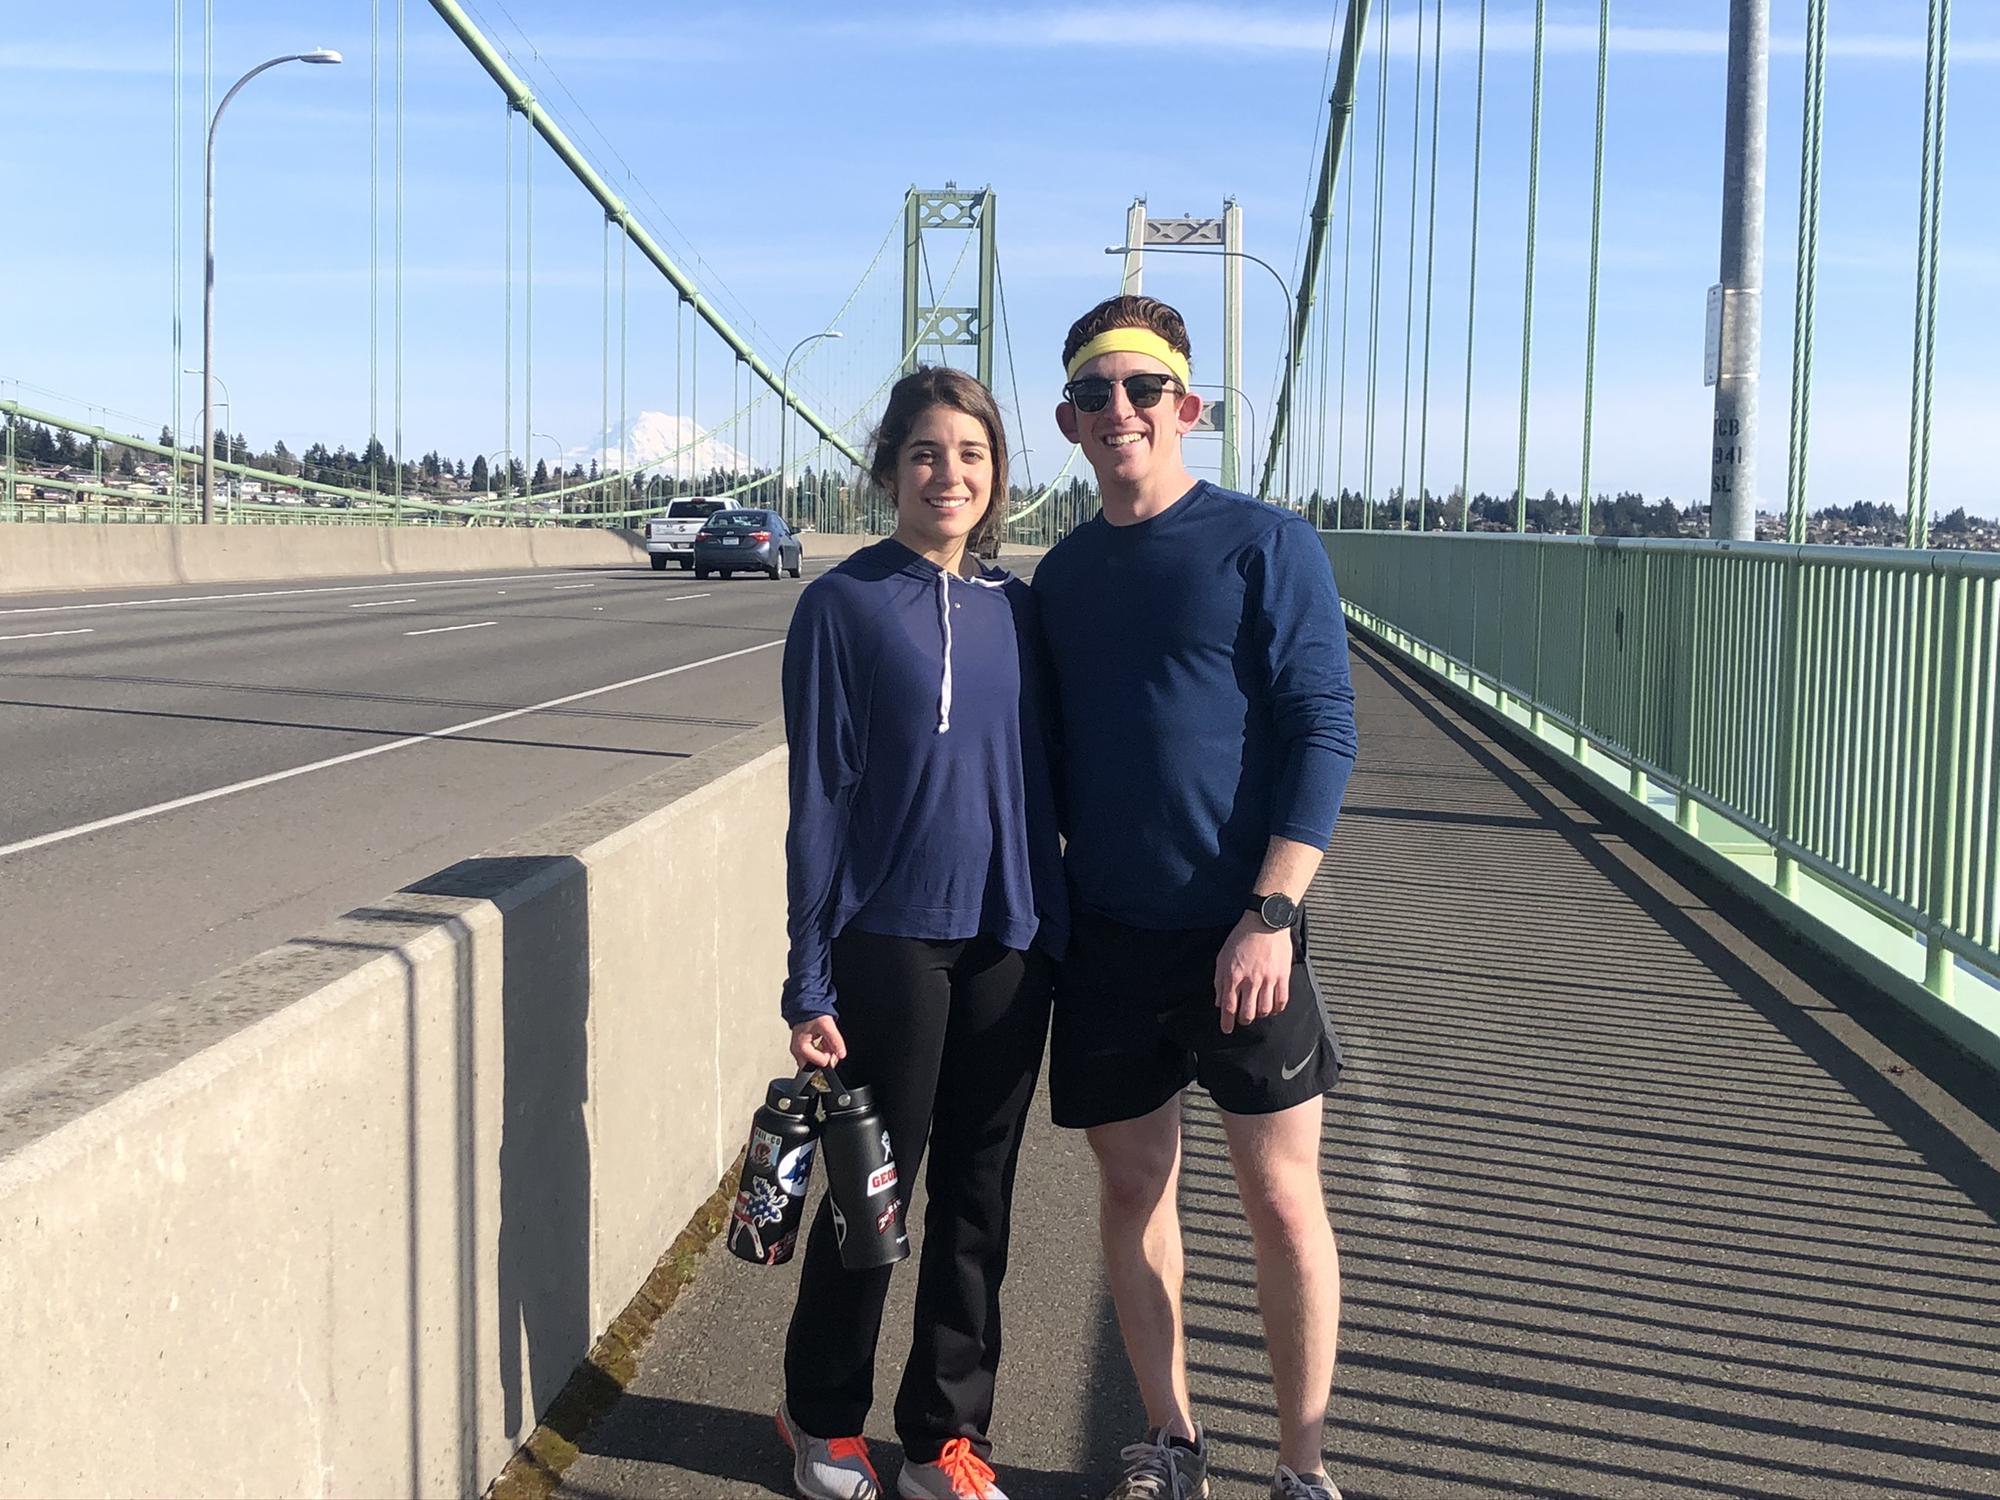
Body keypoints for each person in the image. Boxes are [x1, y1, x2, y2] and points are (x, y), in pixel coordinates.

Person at [1033, 297, 1359, 1500]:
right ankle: (1169, 1443)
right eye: (1094, 393)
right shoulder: (1059, 577)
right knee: (1133, 1192)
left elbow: (1322, 728)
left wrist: (1270, 914)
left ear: (1189, 406)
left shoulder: (1267, 544)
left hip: (1241, 935)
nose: (1118, 410)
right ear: (1067, 422)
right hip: (1108, 937)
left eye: (1142, 388)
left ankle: (1301, 1467)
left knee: (1279, 1199)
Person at [774, 366, 1069, 1500]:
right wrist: (808, 980)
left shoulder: (1021, 612)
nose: (950, 473)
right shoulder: (841, 606)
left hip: (1009, 937)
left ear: (997, 476)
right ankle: (821, 1418)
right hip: (888, 939)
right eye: (926, 454)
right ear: (890, 470)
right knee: (872, 1196)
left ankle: (946, 1435)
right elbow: (818, 801)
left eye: (972, 454)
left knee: (979, 1197)